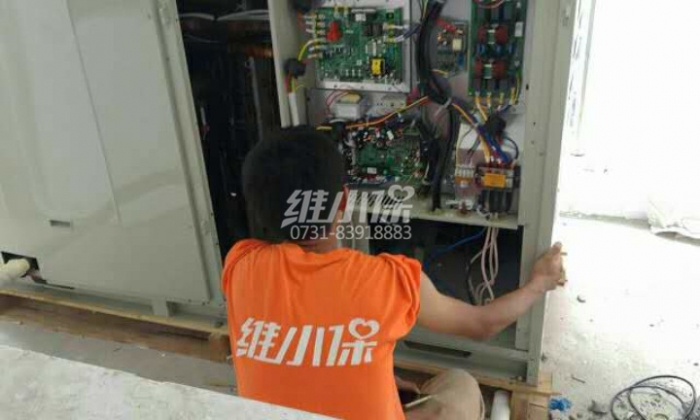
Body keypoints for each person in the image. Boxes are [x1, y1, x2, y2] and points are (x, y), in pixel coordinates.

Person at [222, 127, 565, 420]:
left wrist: (382, 378)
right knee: (461, 387)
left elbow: (308, 336)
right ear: (343, 201)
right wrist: (538, 284)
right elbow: (481, 324)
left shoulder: (238, 267)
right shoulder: (388, 281)